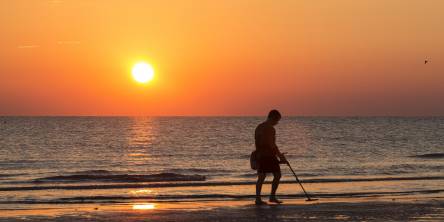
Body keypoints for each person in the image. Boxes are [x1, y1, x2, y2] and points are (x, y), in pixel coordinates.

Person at [254, 109, 287, 205]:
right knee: (277, 175)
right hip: (269, 155)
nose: (277, 123)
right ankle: (272, 197)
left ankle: (258, 199)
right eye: (277, 121)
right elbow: (272, 144)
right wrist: (280, 156)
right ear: (273, 118)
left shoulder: (259, 127)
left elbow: (257, 142)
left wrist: (258, 154)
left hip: (260, 154)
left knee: (261, 177)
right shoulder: (270, 128)